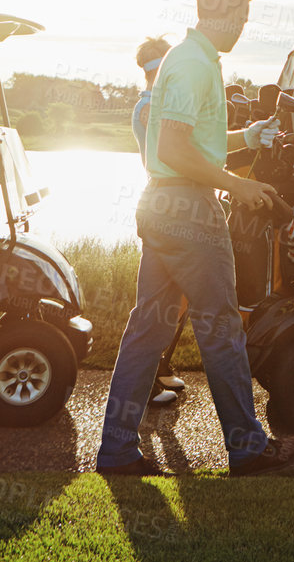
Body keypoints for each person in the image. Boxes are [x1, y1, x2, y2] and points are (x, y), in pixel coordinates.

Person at [95, 0, 294, 478]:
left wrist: (247, 136)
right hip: (189, 213)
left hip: (163, 207)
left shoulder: (192, 59)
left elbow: (191, 145)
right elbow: (172, 150)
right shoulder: (192, 63)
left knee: (147, 331)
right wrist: (241, 185)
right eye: (243, 16)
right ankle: (248, 448)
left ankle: (118, 451)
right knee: (222, 329)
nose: (243, 26)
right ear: (224, 9)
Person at [130, 37, 183, 407]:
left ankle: (159, 367)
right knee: (154, 305)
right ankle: (144, 385)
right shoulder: (150, 108)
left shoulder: (152, 104)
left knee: (170, 300)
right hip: (164, 206)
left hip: (163, 204)